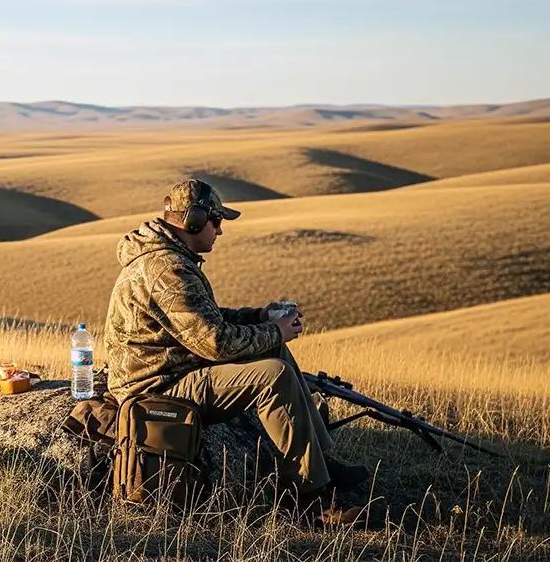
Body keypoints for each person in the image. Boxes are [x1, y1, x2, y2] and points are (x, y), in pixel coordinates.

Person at [101, 178, 370, 526]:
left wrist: (257, 317)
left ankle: (319, 461)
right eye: (216, 221)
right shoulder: (167, 269)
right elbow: (213, 343)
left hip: (173, 371)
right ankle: (308, 497)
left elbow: (200, 318)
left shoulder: (169, 259)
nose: (219, 231)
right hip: (157, 390)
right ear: (193, 221)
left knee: (273, 348)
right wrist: (276, 329)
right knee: (274, 375)